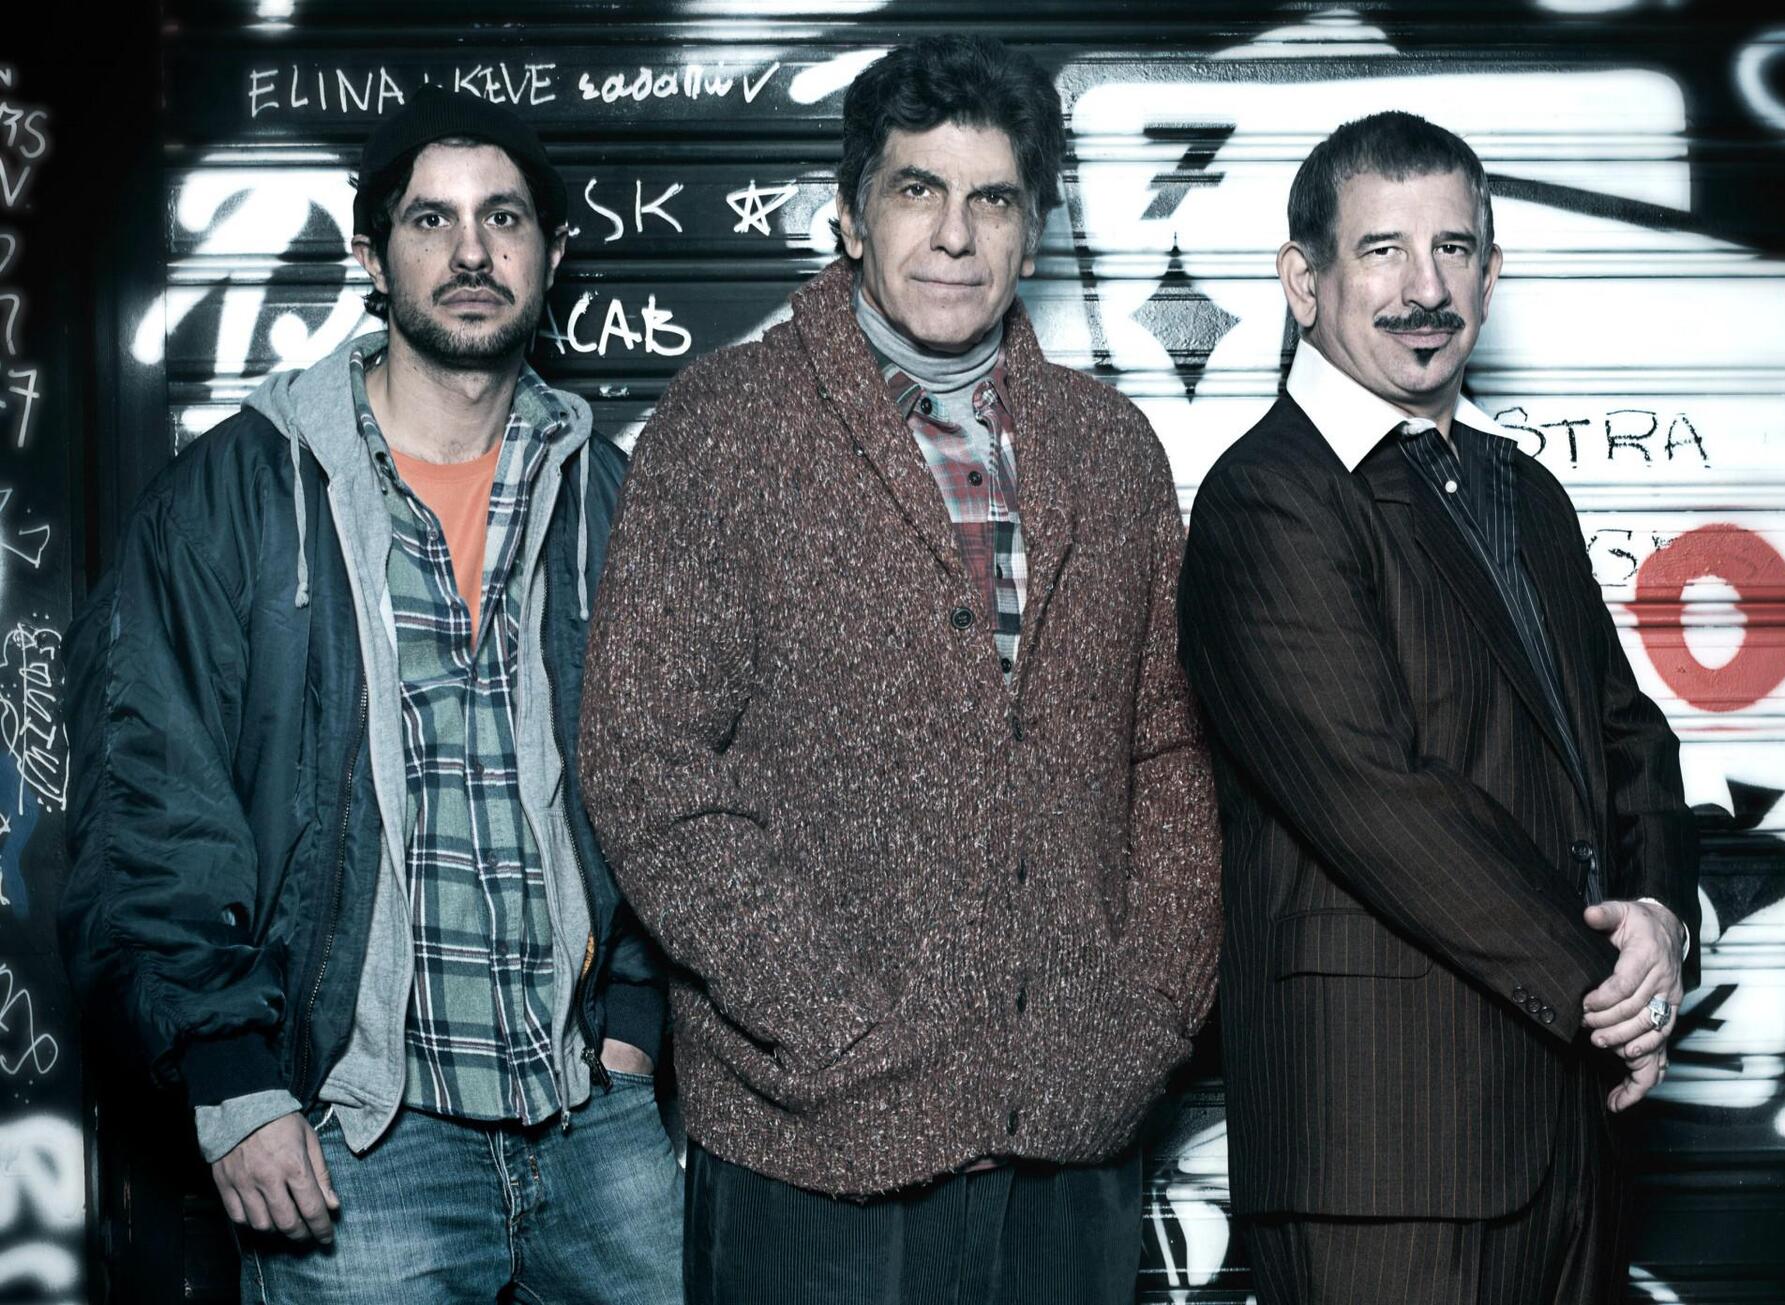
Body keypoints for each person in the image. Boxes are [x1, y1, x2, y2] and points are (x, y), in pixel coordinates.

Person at [577, 34, 1222, 1305]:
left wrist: (1149, 1013)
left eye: (994, 199)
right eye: (918, 190)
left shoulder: (1111, 449)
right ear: (849, 213)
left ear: (1034, 231)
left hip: (1069, 1129)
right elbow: (646, 759)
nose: (955, 235)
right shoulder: (724, 428)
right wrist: (826, 1016)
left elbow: (1169, 750)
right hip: (815, 1132)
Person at [59, 87, 682, 1304]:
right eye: (430, 220)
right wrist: (233, 1077)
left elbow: (679, 771)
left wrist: (633, 1019)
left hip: (591, 1116)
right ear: (370, 256)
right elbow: (150, 795)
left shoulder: (608, 500)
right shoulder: (238, 496)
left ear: (552, 254)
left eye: (504, 218)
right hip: (356, 1138)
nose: (471, 252)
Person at [1177, 111, 1700, 1304]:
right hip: (1386, 1146)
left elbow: (1627, 737)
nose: (1426, 289)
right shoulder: (1268, 498)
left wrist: (1662, 923)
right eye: (1383, 251)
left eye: (1453, 249)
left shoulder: (1525, 494)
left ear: (1491, 273)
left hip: (1568, 1133)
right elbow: (1377, 800)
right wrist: (1609, 990)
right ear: (1302, 282)